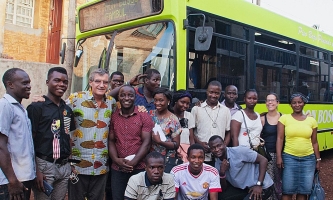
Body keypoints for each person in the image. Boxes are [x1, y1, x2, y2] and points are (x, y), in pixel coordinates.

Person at [67, 68, 117, 200]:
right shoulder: (75, 98)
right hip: (78, 164)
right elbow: (59, 112)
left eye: (105, 82)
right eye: (98, 81)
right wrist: (42, 99)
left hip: (101, 164)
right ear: (90, 82)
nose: (102, 85)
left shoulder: (111, 102)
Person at [27, 67, 75, 199]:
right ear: (47, 82)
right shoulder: (36, 107)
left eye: (65, 82)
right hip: (44, 165)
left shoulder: (67, 109)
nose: (61, 84)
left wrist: (70, 164)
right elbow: (29, 141)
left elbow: (68, 137)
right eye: (57, 80)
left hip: (64, 166)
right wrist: (36, 170)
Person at [108, 85, 154, 200]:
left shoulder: (144, 116)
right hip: (118, 168)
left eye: (130, 95)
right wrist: (116, 160)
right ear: (118, 97)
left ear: (135, 97)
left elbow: (147, 142)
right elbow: (111, 140)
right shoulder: (114, 117)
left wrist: (133, 162)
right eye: (122, 95)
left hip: (139, 167)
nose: (126, 98)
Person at [276, 93, 320, 200]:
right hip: (289, 158)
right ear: (290, 105)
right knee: (287, 191)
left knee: (303, 192)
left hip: (308, 160)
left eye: (299, 102)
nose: (297, 105)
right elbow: (280, 139)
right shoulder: (284, 119)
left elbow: (314, 142)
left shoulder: (312, 121)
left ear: (304, 103)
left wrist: (318, 159)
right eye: (294, 103)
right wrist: (279, 157)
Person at [0, 68, 35, 200]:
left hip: (23, 179)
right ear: (10, 85)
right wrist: (12, 181)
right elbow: (1, 145)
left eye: (29, 83)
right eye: (24, 83)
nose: (29, 86)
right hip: (11, 181)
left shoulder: (20, 108)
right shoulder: (5, 106)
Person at [208, 135, 273, 200]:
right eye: (213, 148)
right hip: (245, 189)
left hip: (262, 186)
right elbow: (224, 188)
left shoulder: (239, 151)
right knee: (222, 197)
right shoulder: (217, 164)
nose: (217, 149)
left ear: (225, 144)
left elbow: (263, 160)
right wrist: (222, 173)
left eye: (219, 145)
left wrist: (259, 184)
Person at [191, 80, 231, 165]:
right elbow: (190, 131)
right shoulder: (197, 109)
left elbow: (229, 132)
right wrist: (199, 143)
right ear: (207, 91)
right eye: (211, 92)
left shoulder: (226, 111)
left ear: (220, 94)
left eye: (217, 93)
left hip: (219, 156)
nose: (213, 95)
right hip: (201, 154)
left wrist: (223, 146)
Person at [150, 88, 182, 172]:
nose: (157, 103)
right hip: (150, 159)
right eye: (155, 100)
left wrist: (160, 142)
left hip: (167, 160)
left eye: (161, 100)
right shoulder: (149, 115)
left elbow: (176, 144)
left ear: (168, 101)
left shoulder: (173, 119)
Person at [105, 71, 124, 199]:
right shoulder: (105, 97)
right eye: (115, 81)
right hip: (104, 144)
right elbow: (107, 98)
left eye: (120, 82)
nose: (117, 83)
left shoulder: (125, 99)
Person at [260, 93, 282, 200]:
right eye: (268, 100)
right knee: (269, 182)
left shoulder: (283, 118)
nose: (270, 103)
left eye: (272, 100)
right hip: (267, 156)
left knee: (279, 182)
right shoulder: (262, 118)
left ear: (277, 103)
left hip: (280, 155)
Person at [171, 90, 195, 162]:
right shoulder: (169, 115)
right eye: (182, 102)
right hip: (172, 151)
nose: (185, 106)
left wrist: (192, 152)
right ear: (175, 101)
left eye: (187, 103)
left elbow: (191, 138)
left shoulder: (189, 116)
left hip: (185, 152)